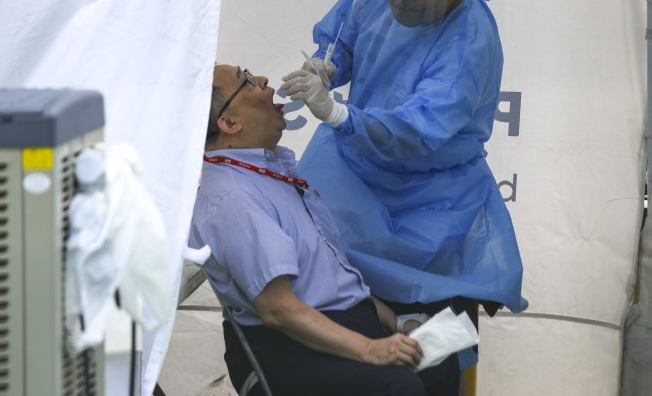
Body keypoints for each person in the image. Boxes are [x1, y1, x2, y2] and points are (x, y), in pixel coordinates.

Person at [280, 0, 528, 368]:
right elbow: (345, 33)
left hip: (429, 194)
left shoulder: (467, 46)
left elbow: (416, 131)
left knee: (431, 345)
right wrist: (327, 66)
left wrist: (338, 114)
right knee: (326, 275)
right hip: (351, 166)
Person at [188, 63, 459, 396]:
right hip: (293, 350)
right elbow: (279, 310)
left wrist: (398, 323)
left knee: (442, 359)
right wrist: (371, 349)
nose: (262, 80)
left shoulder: (271, 175)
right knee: (397, 387)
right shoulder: (233, 198)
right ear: (229, 123)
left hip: (337, 332)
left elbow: (331, 283)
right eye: (245, 82)